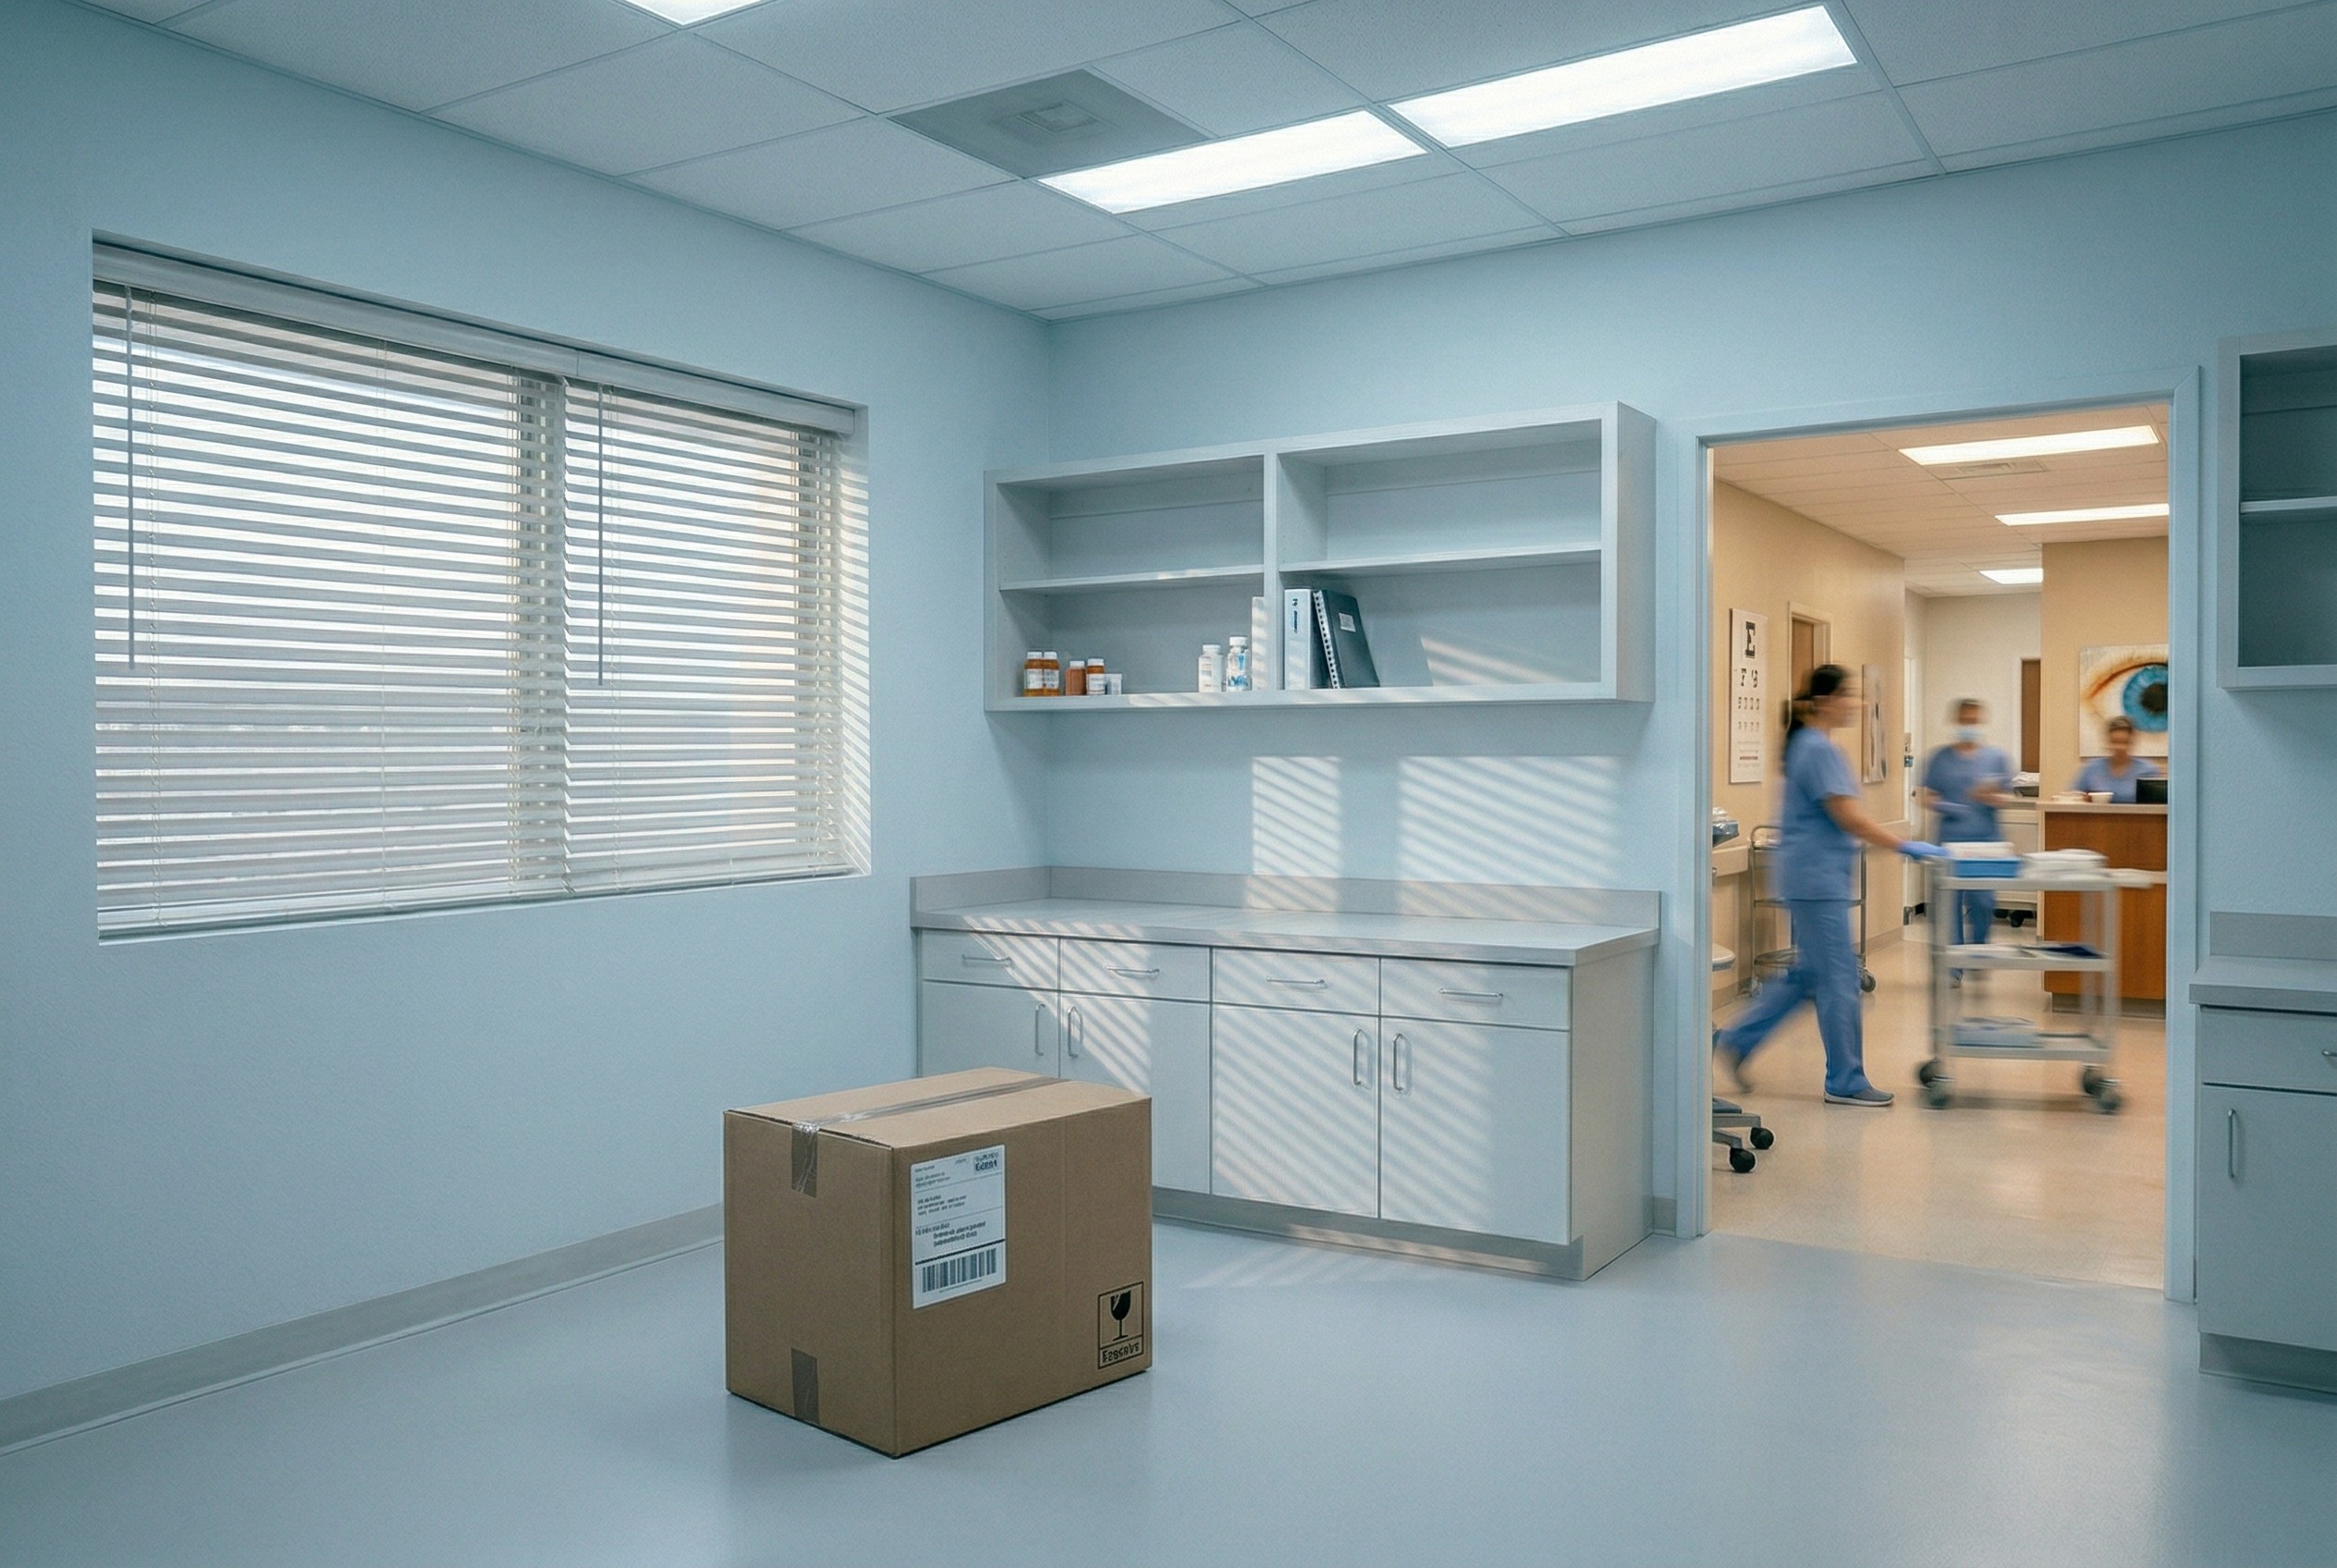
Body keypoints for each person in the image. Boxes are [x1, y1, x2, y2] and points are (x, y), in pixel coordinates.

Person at [1718, 665, 1945, 1107]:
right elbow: (1848, 816)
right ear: (1825, 701)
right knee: (1839, 978)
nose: (1857, 704)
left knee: (1809, 975)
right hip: (1816, 879)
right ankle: (1845, 1079)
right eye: (1849, 695)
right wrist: (1906, 846)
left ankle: (1736, 1039)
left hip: (1811, 876)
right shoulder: (1818, 749)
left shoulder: (1808, 744)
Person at [1921, 699, 2014, 950]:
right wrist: (1949, 806)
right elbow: (1926, 796)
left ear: (1981, 722)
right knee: (1948, 905)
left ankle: (1978, 951)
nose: (1969, 725)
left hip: (1986, 841)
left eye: (1973, 721)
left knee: (1984, 902)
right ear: (1956, 722)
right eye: (1965, 721)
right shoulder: (1939, 758)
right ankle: (1953, 967)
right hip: (1950, 841)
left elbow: (2007, 796)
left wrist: (1992, 797)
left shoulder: (1996, 758)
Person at [2073, 715, 2163, 802]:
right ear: (2107, 741)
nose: (2119, 748)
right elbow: (2075, 796)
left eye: (2124, 743)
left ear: (2133, 742)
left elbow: (2157, 804)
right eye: (2114, 742)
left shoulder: (2147, 770)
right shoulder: (2092, 768)